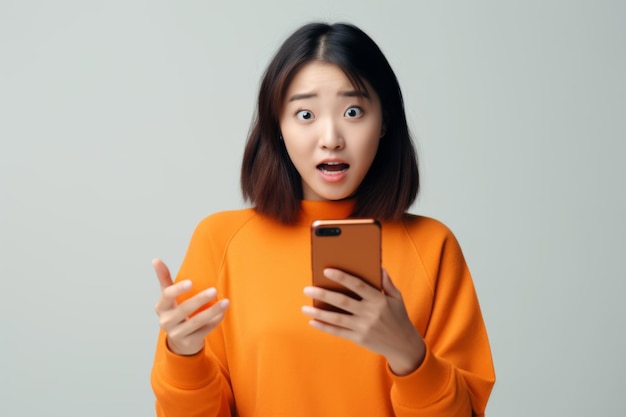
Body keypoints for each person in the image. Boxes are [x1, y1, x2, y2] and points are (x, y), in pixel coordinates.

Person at [151, 22, 495, 417]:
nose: (331, 137)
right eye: (305, 114)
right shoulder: (221, 240)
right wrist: (183, 355)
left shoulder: (433, 246)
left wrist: (408, 354)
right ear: (277, 127)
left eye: (353, 111)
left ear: (383, 122)